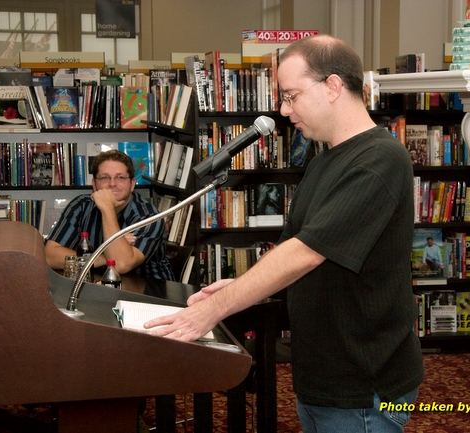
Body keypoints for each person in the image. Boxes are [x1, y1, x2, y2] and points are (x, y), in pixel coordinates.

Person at [144, 34, 424, 432]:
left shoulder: (379, 159)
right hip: (323, 374)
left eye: (291, 96)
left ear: (332, 86)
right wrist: (239, 287)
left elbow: (306, 253)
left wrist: (212, 310)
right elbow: (301, 250)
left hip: (362, 381)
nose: (283, 109)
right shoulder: (325, 156)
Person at [45, 149, 174, 281]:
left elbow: (120, 265)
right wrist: (103, 255)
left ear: (132, 184)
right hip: (99, 288)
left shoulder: (149, 217)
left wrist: (107, 208)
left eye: (120, 177)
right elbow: (50, 256)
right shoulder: (81, 206)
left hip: (149, 293)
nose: (112, 184)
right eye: (105, 177)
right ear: (94, 184)